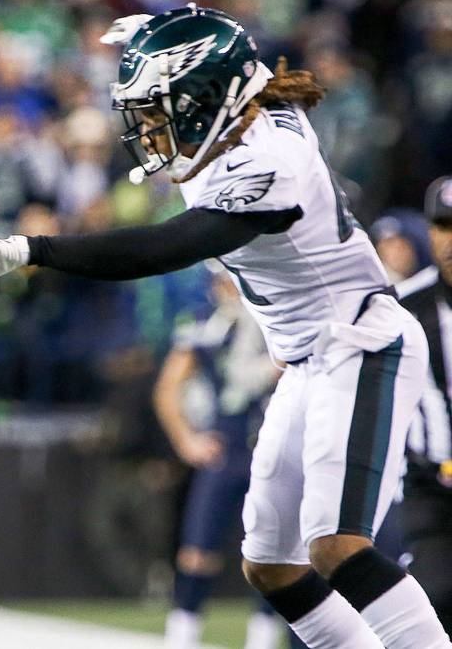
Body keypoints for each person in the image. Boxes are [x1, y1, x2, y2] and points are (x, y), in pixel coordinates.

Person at [0, 5, 450, 648]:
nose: (147, 126)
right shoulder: (233, 127)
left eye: (157, 107)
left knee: (338, 545)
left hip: (361, 344)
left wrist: (33, 250)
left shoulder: (270, 160)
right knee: (272, 567)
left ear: (207, 99)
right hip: (309, 358)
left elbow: (160, 249)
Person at [154, 268, 280, 649]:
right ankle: (182, 636)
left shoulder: (274, 320)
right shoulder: (205, 324)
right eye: (220, 280)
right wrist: (186, 441)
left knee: (273, 553)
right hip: (225, 446)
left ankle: (262, 638)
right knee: (197, 551)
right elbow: (167, 389)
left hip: (269, 445)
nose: (225, 287)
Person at [394, 175, 452, 635]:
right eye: (442, 226)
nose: (450, 240)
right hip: (430, 489)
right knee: (429, 604)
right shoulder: (402, 308)